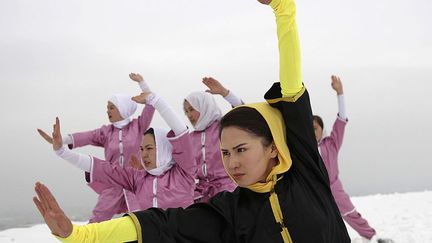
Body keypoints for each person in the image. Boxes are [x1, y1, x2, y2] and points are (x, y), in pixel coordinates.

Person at [33, 0, 351, 242]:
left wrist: (284, 9)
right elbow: (162, 225)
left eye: (240, 150)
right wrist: (79, 235)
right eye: (225, 153)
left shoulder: (305, 173)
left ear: (271, 148)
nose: (231, 161)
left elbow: (292, 87)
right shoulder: (229, 211)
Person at [50, 88, 197, 211]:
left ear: (164, 148)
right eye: (141, 149)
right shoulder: (138, 178)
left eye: (149, 148)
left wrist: (155, 100)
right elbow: (102, 168)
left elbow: (181, 132)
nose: (143, 154)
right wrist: (62, 152)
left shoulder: (184, 172)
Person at [37, 73, 155, 222]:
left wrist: (142, 83)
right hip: (113, 182)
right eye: (107, 108)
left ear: (123, 109)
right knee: (96, 221)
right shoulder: (106, 132)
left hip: (136, 183)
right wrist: (61, 140)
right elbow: (84, 136)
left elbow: (151, 105)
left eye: (112, 107)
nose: (108, 111)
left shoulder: (138, 126)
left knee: (142, 221)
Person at [313, 76, 393, 243]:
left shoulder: (331, 144)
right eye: (309, 129)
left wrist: (340, 93)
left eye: (315, 128)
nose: (312, 132)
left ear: (322, 129)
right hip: (315, 191)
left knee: (350, 213)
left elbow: (341, 120)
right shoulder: (305, 149)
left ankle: (372, 237)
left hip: (334, 189)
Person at [184, 76, 243, 202]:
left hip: (228, 192)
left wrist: (224, 93)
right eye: (186, 111)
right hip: (201, 196)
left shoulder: (224, 127)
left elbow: (243, 111)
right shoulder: (190, 138)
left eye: (191, 109)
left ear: (203, 106)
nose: (189, 115)